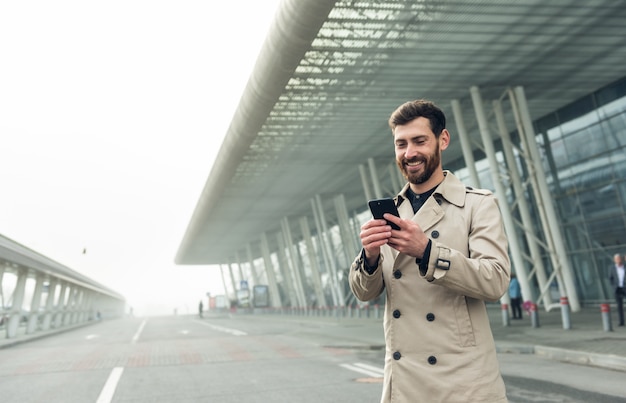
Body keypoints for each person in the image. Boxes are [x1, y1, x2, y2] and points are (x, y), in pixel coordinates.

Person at [349, 99, 511, 403]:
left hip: (464, 383)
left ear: (443, 140)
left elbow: (496, 281)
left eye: (419, 141)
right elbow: (364, 293)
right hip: (405, 383)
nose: (409, 153)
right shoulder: (391, 212)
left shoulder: (477, 204)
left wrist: (426, 251)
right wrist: (369, 257)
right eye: (401, 144)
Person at [608, 253, 625, 326]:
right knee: (619, 306)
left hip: (625, 287)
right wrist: (614, 286)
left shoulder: (624, 267)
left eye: (619, 258)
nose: (618, 260)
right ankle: (621, 322)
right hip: (617, 289)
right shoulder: (612, 268)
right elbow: (610, 278)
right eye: (617, 259)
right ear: (614, 260)